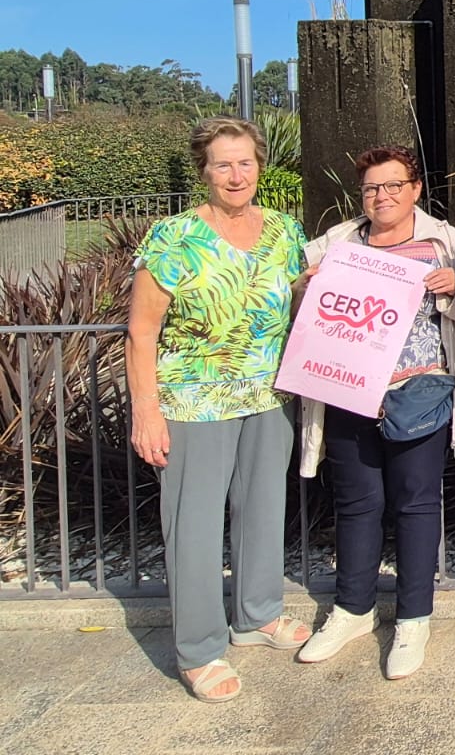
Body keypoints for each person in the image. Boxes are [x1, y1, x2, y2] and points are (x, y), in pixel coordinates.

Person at [128, 117, 311, 702]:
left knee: (263, 508)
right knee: (194, 525)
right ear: (204, 171)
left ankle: (257, 615)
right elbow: (140, 333)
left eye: (245, 162)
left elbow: (305, 301)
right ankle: (199, 648)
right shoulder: (173, 237)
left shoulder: (285, 231)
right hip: (192, 400)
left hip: (268, 396)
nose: (236, 175)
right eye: (223, 164)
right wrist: (145, 412)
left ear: (261, 166)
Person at [294, 146, 455, 680]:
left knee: (416, 504)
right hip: (350, 390)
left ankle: (413, 617)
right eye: (372, 188)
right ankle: (352, 609)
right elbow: (300, 307)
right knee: (357, 503)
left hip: (419, 391)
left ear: (415, 188)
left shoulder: (447, 244)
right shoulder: (336, 244)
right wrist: (304, 289)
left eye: (393, 185)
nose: (382, 196)